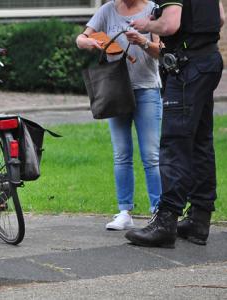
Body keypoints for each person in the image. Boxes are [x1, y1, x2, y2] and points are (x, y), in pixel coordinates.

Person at [125, 0, 225, 248]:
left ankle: (166, 222)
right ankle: (199, 221)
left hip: (187, 66)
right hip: (209, 60)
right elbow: (220, 18)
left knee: (175, 143)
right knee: (201, 143)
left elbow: (170, 25)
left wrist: (146, 24)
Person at [76, 0, 163, 230]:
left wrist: (143, 42)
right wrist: (91, 42)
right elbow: (80, 39)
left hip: (146, 90)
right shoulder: (107, 10)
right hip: (116, 90)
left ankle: (159, 211)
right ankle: (124, 211)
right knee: (122, 154)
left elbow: (160, 51)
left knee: (151, 156)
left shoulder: (152, 9)